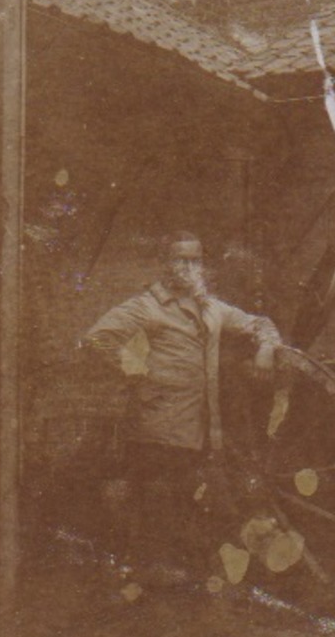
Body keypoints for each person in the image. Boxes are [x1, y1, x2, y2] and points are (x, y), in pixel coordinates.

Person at [82, 231, 281, 577]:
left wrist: (265, 349)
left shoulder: (211, 308)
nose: (189, 267)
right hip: (159, 426)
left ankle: (180, 586)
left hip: (202, 427)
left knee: (193, 505)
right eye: (180, 259)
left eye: (196, 260)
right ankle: (152, 591)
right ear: (164, 264)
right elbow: (97, 339)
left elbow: (259, 324)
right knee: (157, 508)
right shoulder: (146, 306)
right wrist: (136, 370)